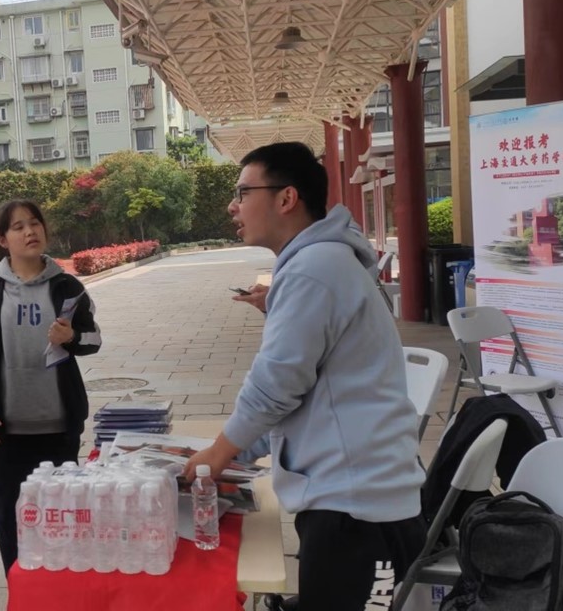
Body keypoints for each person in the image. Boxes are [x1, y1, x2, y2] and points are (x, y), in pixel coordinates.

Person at [182, 142, 425, 611]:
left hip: (359, 510)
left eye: (243, 192)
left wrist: (221, 452)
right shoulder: (316, 264)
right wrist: (236, 452)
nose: (233, 205)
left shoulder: (314, 269)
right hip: (348, 496)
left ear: (286, 198)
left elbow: (275, 384)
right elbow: (299, 389)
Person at [0, 199, 102, 575]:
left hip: (59, 429)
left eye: (34, 223)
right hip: (5, 432)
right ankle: (20, 592)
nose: (29, 231)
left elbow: (94, 339)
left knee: (62, 515)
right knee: (12, 516)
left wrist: (71, 338)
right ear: (3, 240)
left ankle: (60, 590)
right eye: (18, 227)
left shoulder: (66, 285)